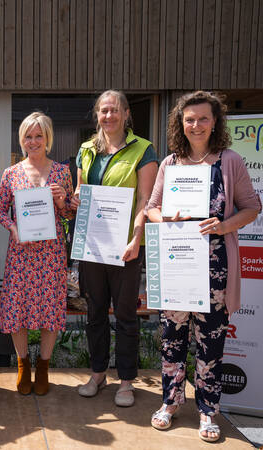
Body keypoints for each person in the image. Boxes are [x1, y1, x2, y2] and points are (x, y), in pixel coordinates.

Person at [146, 91, 260, 442]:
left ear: (215, 123)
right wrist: (164, 217)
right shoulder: (170, 163)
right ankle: (170, 402)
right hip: (177, 266)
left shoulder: (230, 161)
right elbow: (151, 207)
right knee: (172, 340)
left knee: (210, 344)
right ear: (180, 123)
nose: (196, 125)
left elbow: (251, 207)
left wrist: (225, 226)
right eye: (189, 119)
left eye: (203, 118)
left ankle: (209, 411)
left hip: (216, 273)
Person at [72, 90, 158, 407]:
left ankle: (125, 381)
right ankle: (97, 374)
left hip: (126, 248)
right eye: (103, 111)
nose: (108, 116)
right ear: (98, 115)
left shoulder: (143, 150)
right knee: (94, 312)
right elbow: (80, 190)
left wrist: (136, 239)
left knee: (125, 316)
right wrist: (76, 195)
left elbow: (144, 200)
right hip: (92, 245)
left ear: (125, 114)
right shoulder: (86, 150)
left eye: (114, 110)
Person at [0, 112, 74, 395]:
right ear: (22, 139)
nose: (33, 141)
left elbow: (67, 214)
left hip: (51, 253)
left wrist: (62, 199)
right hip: (21, 253)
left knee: (49, 309)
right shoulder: (11, 173)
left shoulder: (62, 172)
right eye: (28, 136)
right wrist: (13, 227)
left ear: (47, 138)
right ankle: (22, 364)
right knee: (18, 307)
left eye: (39, 135)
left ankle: (43, 366)